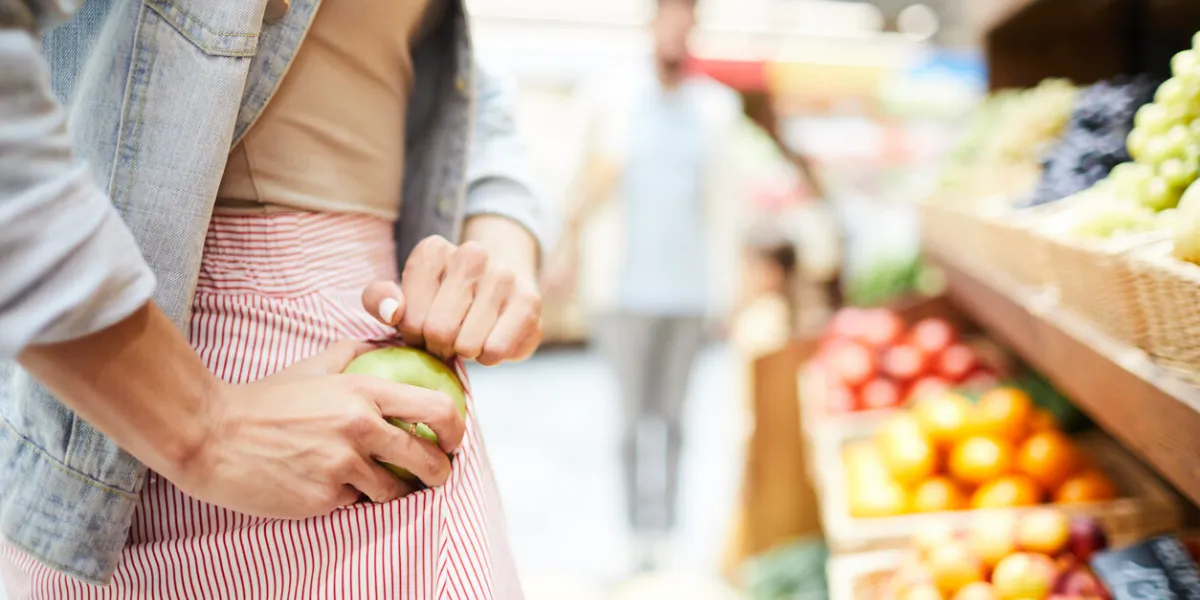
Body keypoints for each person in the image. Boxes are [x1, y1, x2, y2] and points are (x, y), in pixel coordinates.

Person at [0, 0, 546, 596]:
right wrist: (200, 424)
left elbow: (470, 92)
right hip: (163, 392)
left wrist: (499, 253)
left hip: (373, 412)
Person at [544, 0, 744, 571]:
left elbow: (727, 211)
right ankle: (638, 535)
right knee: (633, 421)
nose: (675, 30)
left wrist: (727, 293)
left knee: (677, 419)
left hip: (689, 292)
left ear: (695, 28)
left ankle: (670, 530)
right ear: (652, 24)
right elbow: (577, 182)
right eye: (667, 17)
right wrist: (566, 253)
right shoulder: (610, 99)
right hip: (624, 291)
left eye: (686, 19)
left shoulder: (716, 110)